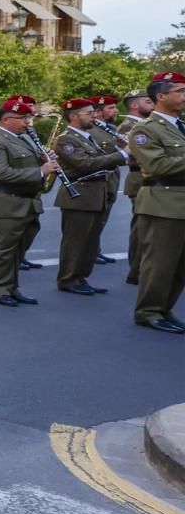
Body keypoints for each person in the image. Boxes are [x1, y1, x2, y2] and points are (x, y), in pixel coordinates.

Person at [0, 97, 58, 306]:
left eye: (27, 118)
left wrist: (44, 160)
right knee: (3, 250)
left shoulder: (24, 138)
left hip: (28, 202)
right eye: (22, 118)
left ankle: (11, 287)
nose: (27, 122)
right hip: (6, 203)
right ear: (6, 120)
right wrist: (40, 171)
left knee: (17, 250)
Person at [127, 72, 185, 334]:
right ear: (161, 96)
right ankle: (148, 311)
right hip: (163, 202)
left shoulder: (180, 125)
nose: (184, 96)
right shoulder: (144, 129)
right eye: (180, 91)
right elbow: (157, 165)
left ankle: (164, 308)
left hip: (180, 203)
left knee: (180, 264)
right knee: (160, 263)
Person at [51, 98, 126, 296]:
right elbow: (86, 164)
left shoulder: (87, 136)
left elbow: (101, 160)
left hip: (95, 193)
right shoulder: (66, 139)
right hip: (79, 195)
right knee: (75, 241)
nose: (94, 116)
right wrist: (122, 154)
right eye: (89, 113)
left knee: (90, 241)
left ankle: (81, 277)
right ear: (74, 116)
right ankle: (67, 279)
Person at [118, 89, 155, 284]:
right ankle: (136, 270)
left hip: (149, 179)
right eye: (148, 101)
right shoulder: (128, 126)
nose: (153, 104)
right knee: (142, 228)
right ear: (134, 105)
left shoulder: (147, 124)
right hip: (140, 179)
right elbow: (132, 153)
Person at [87, 95, 123, 265]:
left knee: (103, 217)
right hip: (100, 175)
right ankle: (90, 252)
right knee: (94, 218)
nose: (116, 111)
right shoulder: (90, 129)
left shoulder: (112, 128)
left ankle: (95, 250)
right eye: (111, 108)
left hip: (112, 175)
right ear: (98, 112)